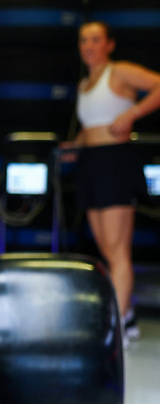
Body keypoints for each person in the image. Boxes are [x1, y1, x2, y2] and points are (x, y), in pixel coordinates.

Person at [61, 21, 160, 339]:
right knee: (106, 247)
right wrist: (76, 144)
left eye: (95, 39)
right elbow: (94, 123)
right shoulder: (84, 84)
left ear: (109, 44)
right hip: (91, 163)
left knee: (118, 250)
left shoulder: (119, 72)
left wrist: (132, 114)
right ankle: (126, 315)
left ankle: (116, 327)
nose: (88, 45)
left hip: (117, 160)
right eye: (83, 40)